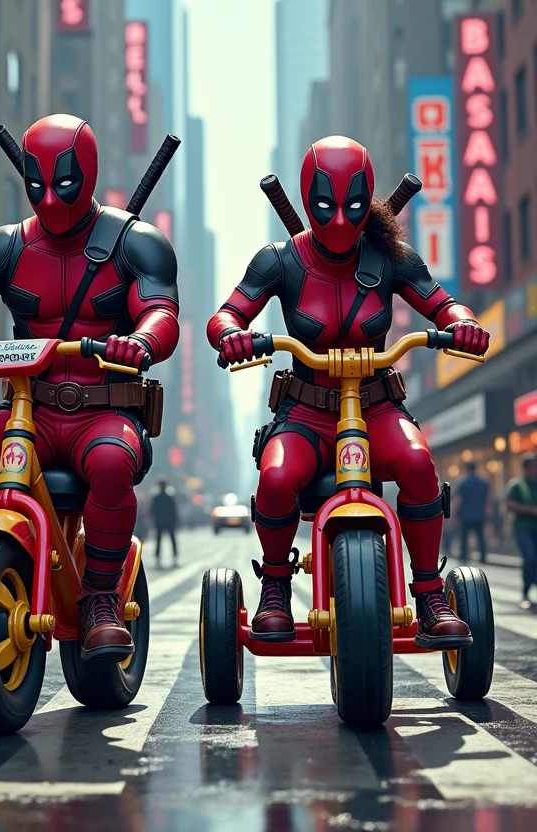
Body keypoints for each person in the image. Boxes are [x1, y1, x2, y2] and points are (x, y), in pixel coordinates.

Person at [0, 114, 179, 673]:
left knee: (113, 464)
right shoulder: (4, 247)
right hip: (29, 414)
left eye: (63, 184)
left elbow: (161, 310)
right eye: (37, 185)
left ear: (87, 175)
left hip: (106, 414)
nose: (49, 198)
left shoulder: (137, 242)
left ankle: (98, 597)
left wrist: (140, 341)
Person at [208, 137, 489, 650]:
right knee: (274, 477)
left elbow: (444, 304)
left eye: (353, 206)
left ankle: (428, 593)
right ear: (306, 197)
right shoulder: (278, 261)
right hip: (305, 414)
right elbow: (229, 311)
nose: (339, 219)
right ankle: (274, 583)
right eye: (325, 206)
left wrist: (464, 323)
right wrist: (231, 332)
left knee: (420, 466)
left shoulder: (393, 258)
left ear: (369, 199)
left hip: (378, 408)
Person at [505, 453, 537, 610]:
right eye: (533, 467)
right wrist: (529, 510)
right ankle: (525, 593)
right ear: (525, 468)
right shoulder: (517, 485)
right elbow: (509, 505)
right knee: (530, 558)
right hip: (523, 529)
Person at [455, 460, 489, 563]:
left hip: (466, 515)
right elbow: (488, 499)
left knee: (464, 537)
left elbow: (459, 499)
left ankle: (464, 555)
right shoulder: (483, 482)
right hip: (479, 514)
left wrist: (454, 512)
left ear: (466, 469)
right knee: (480, 536)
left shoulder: (464, 483)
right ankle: (483, 557)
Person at [150, 478, 178, 568]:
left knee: (162, 541)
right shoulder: (168, 497)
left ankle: (169, 559)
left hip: (162, 521)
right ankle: (169, 559)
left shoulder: (158, 497)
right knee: (165, 540)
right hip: (166, 521)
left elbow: (153, 510)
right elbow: (174, 511)